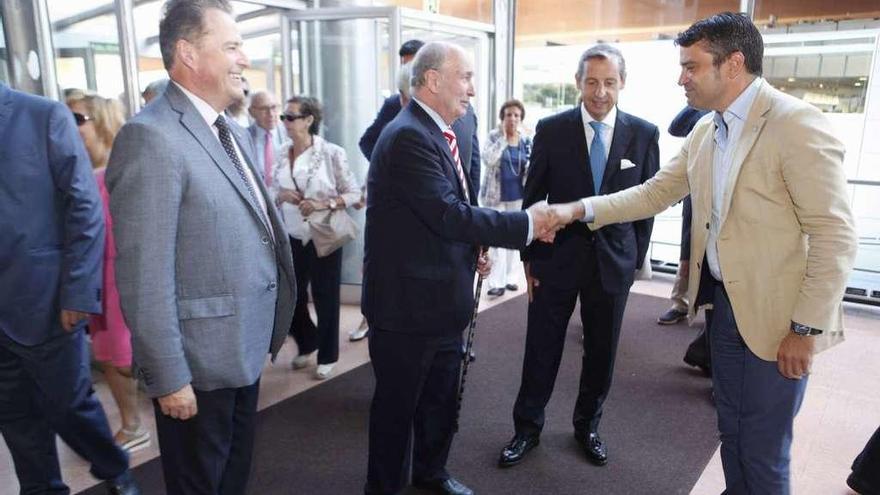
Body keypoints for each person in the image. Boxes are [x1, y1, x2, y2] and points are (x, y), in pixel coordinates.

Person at [552, 12, 858, 493]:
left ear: (733, 64)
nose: (681, 78)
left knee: (763, 451)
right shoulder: (706, 130)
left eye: (691, 67)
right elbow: (653, 194)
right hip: (723, 311)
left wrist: (805, 328)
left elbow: (835, 235)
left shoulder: (795, 124)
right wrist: (577, 209)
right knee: (732, 433)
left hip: (780, 321)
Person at [106, 1, 296, 493]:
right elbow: (145, 274)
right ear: (188, 53)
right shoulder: (150, 137)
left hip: (240, 351)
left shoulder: (226, 129)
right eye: (231, 46)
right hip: (196, 369)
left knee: (230, 480)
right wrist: (169, 377)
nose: (244, 59)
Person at [362, 41, 562, 495]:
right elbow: (448, 213)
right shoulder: (408, 135)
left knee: (439, 402)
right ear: (433, 81)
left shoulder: (449, 128)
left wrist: (475, 246)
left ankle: (431, 474)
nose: (473, 89)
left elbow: (451, 209)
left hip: (444, 299)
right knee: (396, 415)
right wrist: (529, 223)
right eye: (466, 77)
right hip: (406, 309)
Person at [499, 43, 660, 469]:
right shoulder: (551, 130)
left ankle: (587, 426)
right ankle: (526, 428)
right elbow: (533, 201)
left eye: (609, 82)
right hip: (556, 262)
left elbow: (647, 207)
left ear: (622, 83)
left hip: (612, 265)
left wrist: (632, 261)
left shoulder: (644, 134)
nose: (600, 92)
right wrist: (529, 262)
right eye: (592, 82)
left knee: (602, 352)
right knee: (541, 348)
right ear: (577, 83)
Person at [0, 83, 139, 494]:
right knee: (14, 415)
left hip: (45, 298)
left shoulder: (42, 116)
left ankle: (114, 469)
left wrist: (78, 291)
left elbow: (84, 206)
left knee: (68, 405)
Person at [66, 93, 152, 452]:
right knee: (107, 355)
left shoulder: (123, 167)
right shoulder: (77, 171)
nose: (69, 128)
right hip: (95, 278)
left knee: (124, 355)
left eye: (77, 119)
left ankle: (137, 425)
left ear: (100, 121)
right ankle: (132, 423)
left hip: (123, 276)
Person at [273, 95, 360, 380]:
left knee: (325, 297)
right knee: (291, 296)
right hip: (292, 236)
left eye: (290, 117)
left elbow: (353, 193)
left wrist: (324, 204)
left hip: (324, 234)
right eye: (283, 117)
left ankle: (327, 355)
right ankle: (308, 340)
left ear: (309, 120)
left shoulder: (331, 153)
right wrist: (281, 195)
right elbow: (271, 191)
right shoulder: (281, 152)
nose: (285, 122)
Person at [479, 99, 533, 297]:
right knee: (495, 240)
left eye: (516, 115)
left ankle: (511, 278)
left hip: (518, 197)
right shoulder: (494, 136)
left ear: (521, 119)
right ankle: (496, 282)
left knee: (514, 239)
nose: (512, 118)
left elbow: (531, 167)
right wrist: (503, 139)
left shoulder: (526, 140)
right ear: (502, 117)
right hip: (495, 197)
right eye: (509, 115)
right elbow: (488, 159)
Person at [248, 90, 287, 187]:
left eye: (274, 107)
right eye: (263, 109)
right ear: (251, 112)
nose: (271, 114)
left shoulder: (289, 135)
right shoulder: (243, 137)